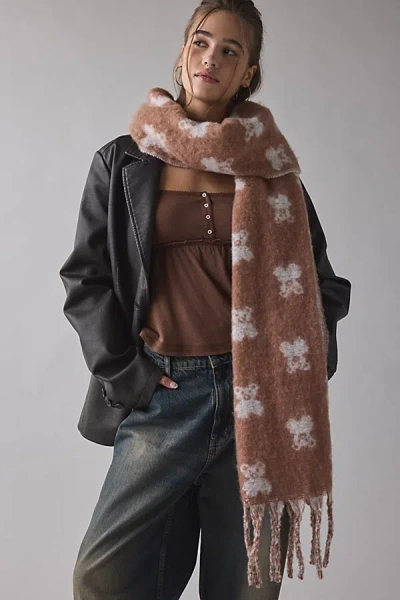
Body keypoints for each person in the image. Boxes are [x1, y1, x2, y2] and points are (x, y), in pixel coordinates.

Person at [59, 1, 351, 598]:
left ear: (248, 72)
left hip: (256, 404)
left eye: (229, 50)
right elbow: (86, 278)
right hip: (164, 395)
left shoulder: (271, 172)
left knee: (247, 587)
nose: (210, 58)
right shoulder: (125, 161)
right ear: (183, 51)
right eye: (201, 41)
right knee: (102, 579)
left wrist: (292, 367)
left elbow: (322, 282)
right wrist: (128, 374)